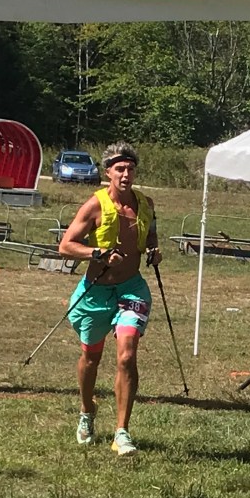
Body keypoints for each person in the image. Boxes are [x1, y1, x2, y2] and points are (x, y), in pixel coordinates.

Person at [58, 141, 161, 456]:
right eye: (120, 169)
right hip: (96, 291)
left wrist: (154, 250)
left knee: (127, 356)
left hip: (131, 289)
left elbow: (151, 233)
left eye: (130, 169)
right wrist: (98, 253)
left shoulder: (146, 204)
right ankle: (87, 410)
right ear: (108, 173)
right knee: (91, 358)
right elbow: (65, 246)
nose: (126, 174)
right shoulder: (94, 206)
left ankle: (122, 432)